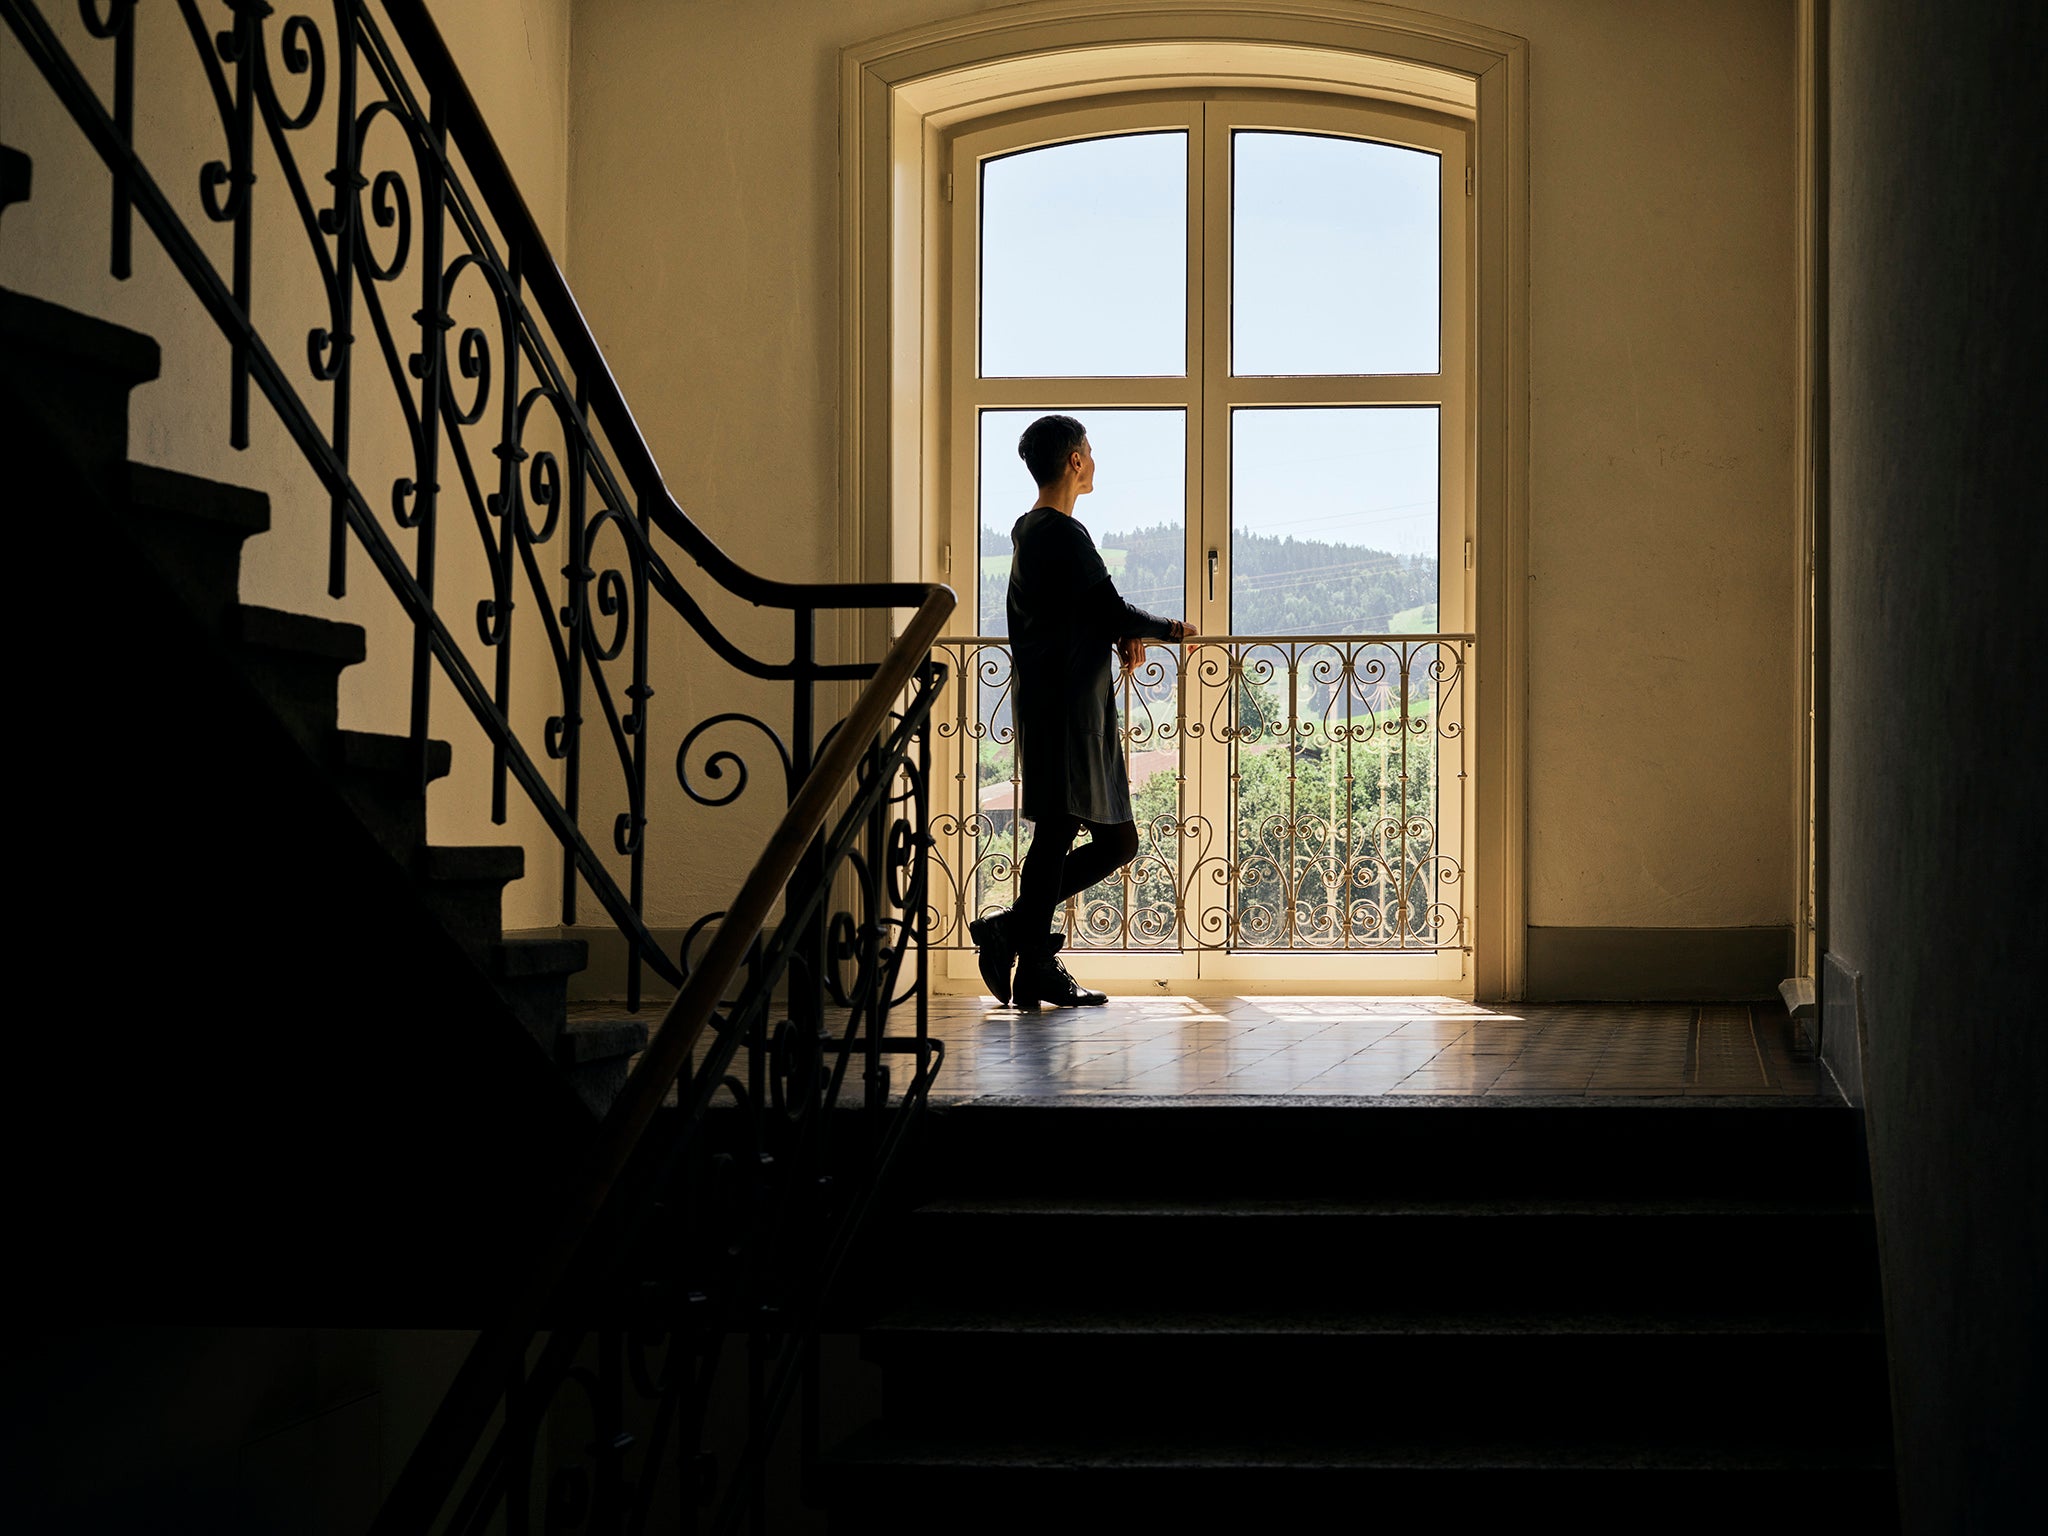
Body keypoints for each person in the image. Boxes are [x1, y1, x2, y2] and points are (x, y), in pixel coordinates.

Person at [970, 415, 1196, 1008]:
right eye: (1089, 452)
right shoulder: (1061, 534)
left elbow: (1083, 612)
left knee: (1067, 835)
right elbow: (1111, 608)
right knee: (1093, 838)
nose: (1093, 462)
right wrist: (1173, 630)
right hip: (1069, 709)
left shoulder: (1033, 531)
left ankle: (1027, 958)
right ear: (1074, 461)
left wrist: (1116, 633)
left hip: (1062, 705)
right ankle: (1015, 937)